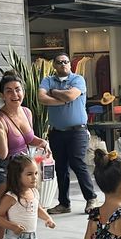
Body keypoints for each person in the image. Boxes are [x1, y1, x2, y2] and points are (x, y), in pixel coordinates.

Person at [0, 72, 46, 239]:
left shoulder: (27, 112)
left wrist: (42, 142)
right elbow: (2, 152)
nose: (15, 94)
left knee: (23, 213)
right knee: (7, 215)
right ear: (2, 95)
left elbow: (29, 138)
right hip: (3, 169)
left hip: (22, 169)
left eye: (18, 89)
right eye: (9, 91)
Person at [38, 53, 98, 215]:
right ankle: (64, 204)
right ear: (54, 66)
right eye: (59, 62)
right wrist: (64, 98)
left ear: (70, 64)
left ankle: (91, 198)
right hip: (57, 132)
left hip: (77, 131)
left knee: (78, 163)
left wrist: (54, 93)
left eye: (65, 62)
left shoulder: (78, 79)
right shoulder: (48, 80)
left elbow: (72, 95)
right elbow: (42, 98)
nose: (63, 64)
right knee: (61, 168)